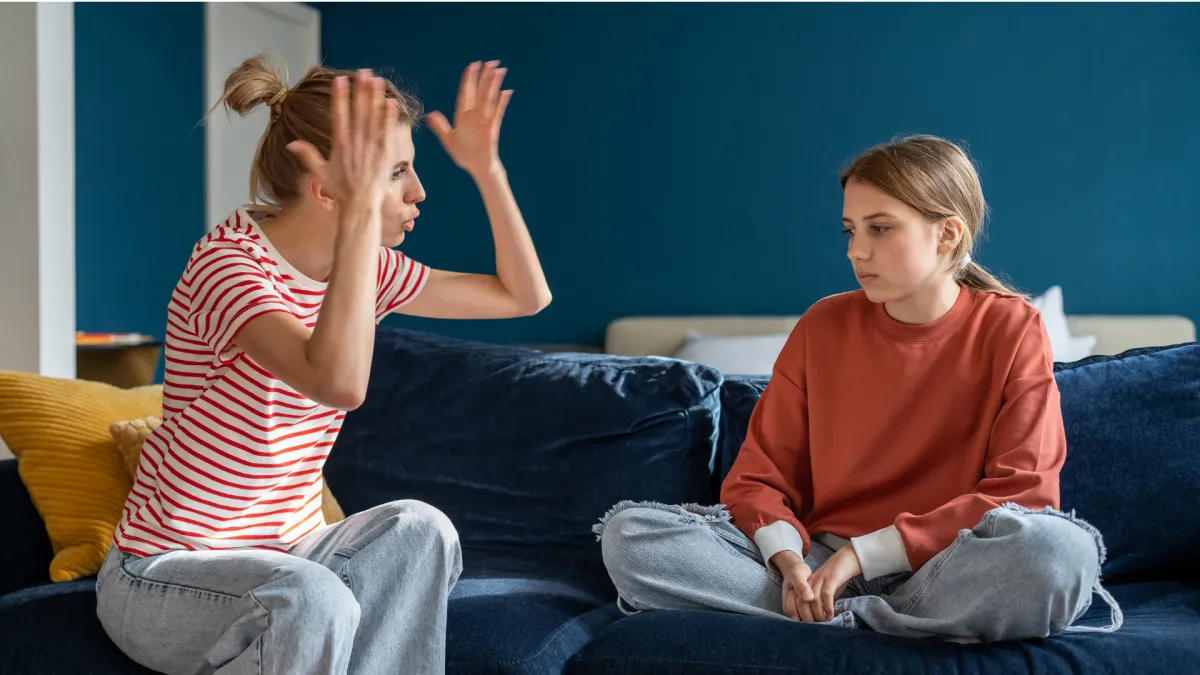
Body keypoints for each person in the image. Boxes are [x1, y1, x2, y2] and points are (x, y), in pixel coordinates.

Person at [95, 57, 550, 675]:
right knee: (309, 597)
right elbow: (336, 382)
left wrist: (487, 169)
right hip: (166, 574)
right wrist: (364, 216)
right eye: (396, 173)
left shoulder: (369, 270)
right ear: (327, 188)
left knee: (423, 529)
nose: (418, 191)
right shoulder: (228, 268)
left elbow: (523, 297)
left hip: (294, 552)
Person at [594, 135, 1122, 643]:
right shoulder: (823, 325)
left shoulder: (1013, 327)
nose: (856, 251)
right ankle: (888, 625)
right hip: (818, 567)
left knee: (1059, 553)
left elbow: (1024, 492)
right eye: (850, 230)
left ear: (948, 234)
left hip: (948, 567)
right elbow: (757, 477)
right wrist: (788, 560)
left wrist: (863, 555)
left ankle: (839, 624)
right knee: (631, 536)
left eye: (880, 229)